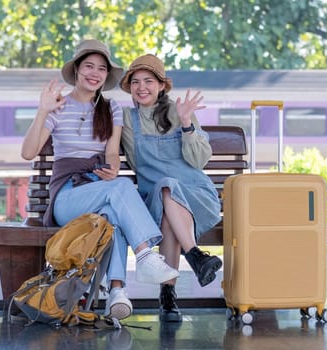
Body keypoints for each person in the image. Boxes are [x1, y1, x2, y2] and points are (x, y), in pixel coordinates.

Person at [20, 41, 179, 321]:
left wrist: (113, 169)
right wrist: (42, 110)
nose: (95, 73)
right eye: (89, 66)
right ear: (77, 70)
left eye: (102, 69)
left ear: (106, 76)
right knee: (120, 190)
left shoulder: (112, 109)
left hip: (99, 188)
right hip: (67, 195)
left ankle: (117, 292)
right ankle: (145, 255)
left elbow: (111, 153)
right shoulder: (57, 107)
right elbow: (28, 152)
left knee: (111, 218)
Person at [119, 54, 223, 322]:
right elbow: (128, 157)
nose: (141, 87)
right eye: (135, 82)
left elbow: (199, 161)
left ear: (162, 85)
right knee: (166, 191)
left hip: (196, 195)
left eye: (149, 81)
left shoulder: (180, 113)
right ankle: (196, 258)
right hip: (155, 198)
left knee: (169, 196)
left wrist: (187, 123)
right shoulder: (127, 119)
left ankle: (168, 296)